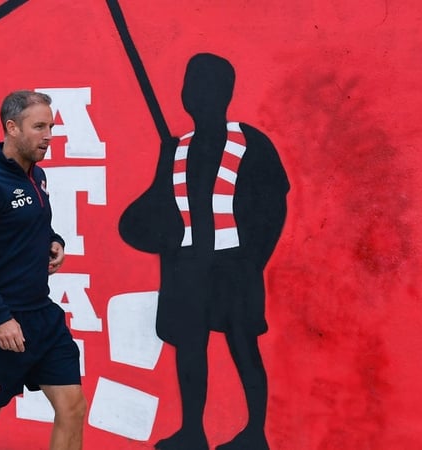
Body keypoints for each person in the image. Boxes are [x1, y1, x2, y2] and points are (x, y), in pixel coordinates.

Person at [119, 53, 289, 450]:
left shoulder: (250, 142)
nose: (197, 93)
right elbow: (160, 204)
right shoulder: (175, 148)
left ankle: (255, 433)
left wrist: (254, 259)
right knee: (190, 346)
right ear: (184, 95)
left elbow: (273, 204)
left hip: (234, 266)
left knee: (243, 344)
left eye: (206, 86)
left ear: (225, 93)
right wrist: (141, 226)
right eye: (191, 85)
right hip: (187, 266)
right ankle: (192, 430)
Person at [0, 91, 86, 450]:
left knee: (73, 406)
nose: (48, 135)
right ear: (12, 128)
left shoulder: (36, 176)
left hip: (42, 315)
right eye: (39, 126)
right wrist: (0, 318)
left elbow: (31, 226)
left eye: (51, 127)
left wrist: (54, 241)